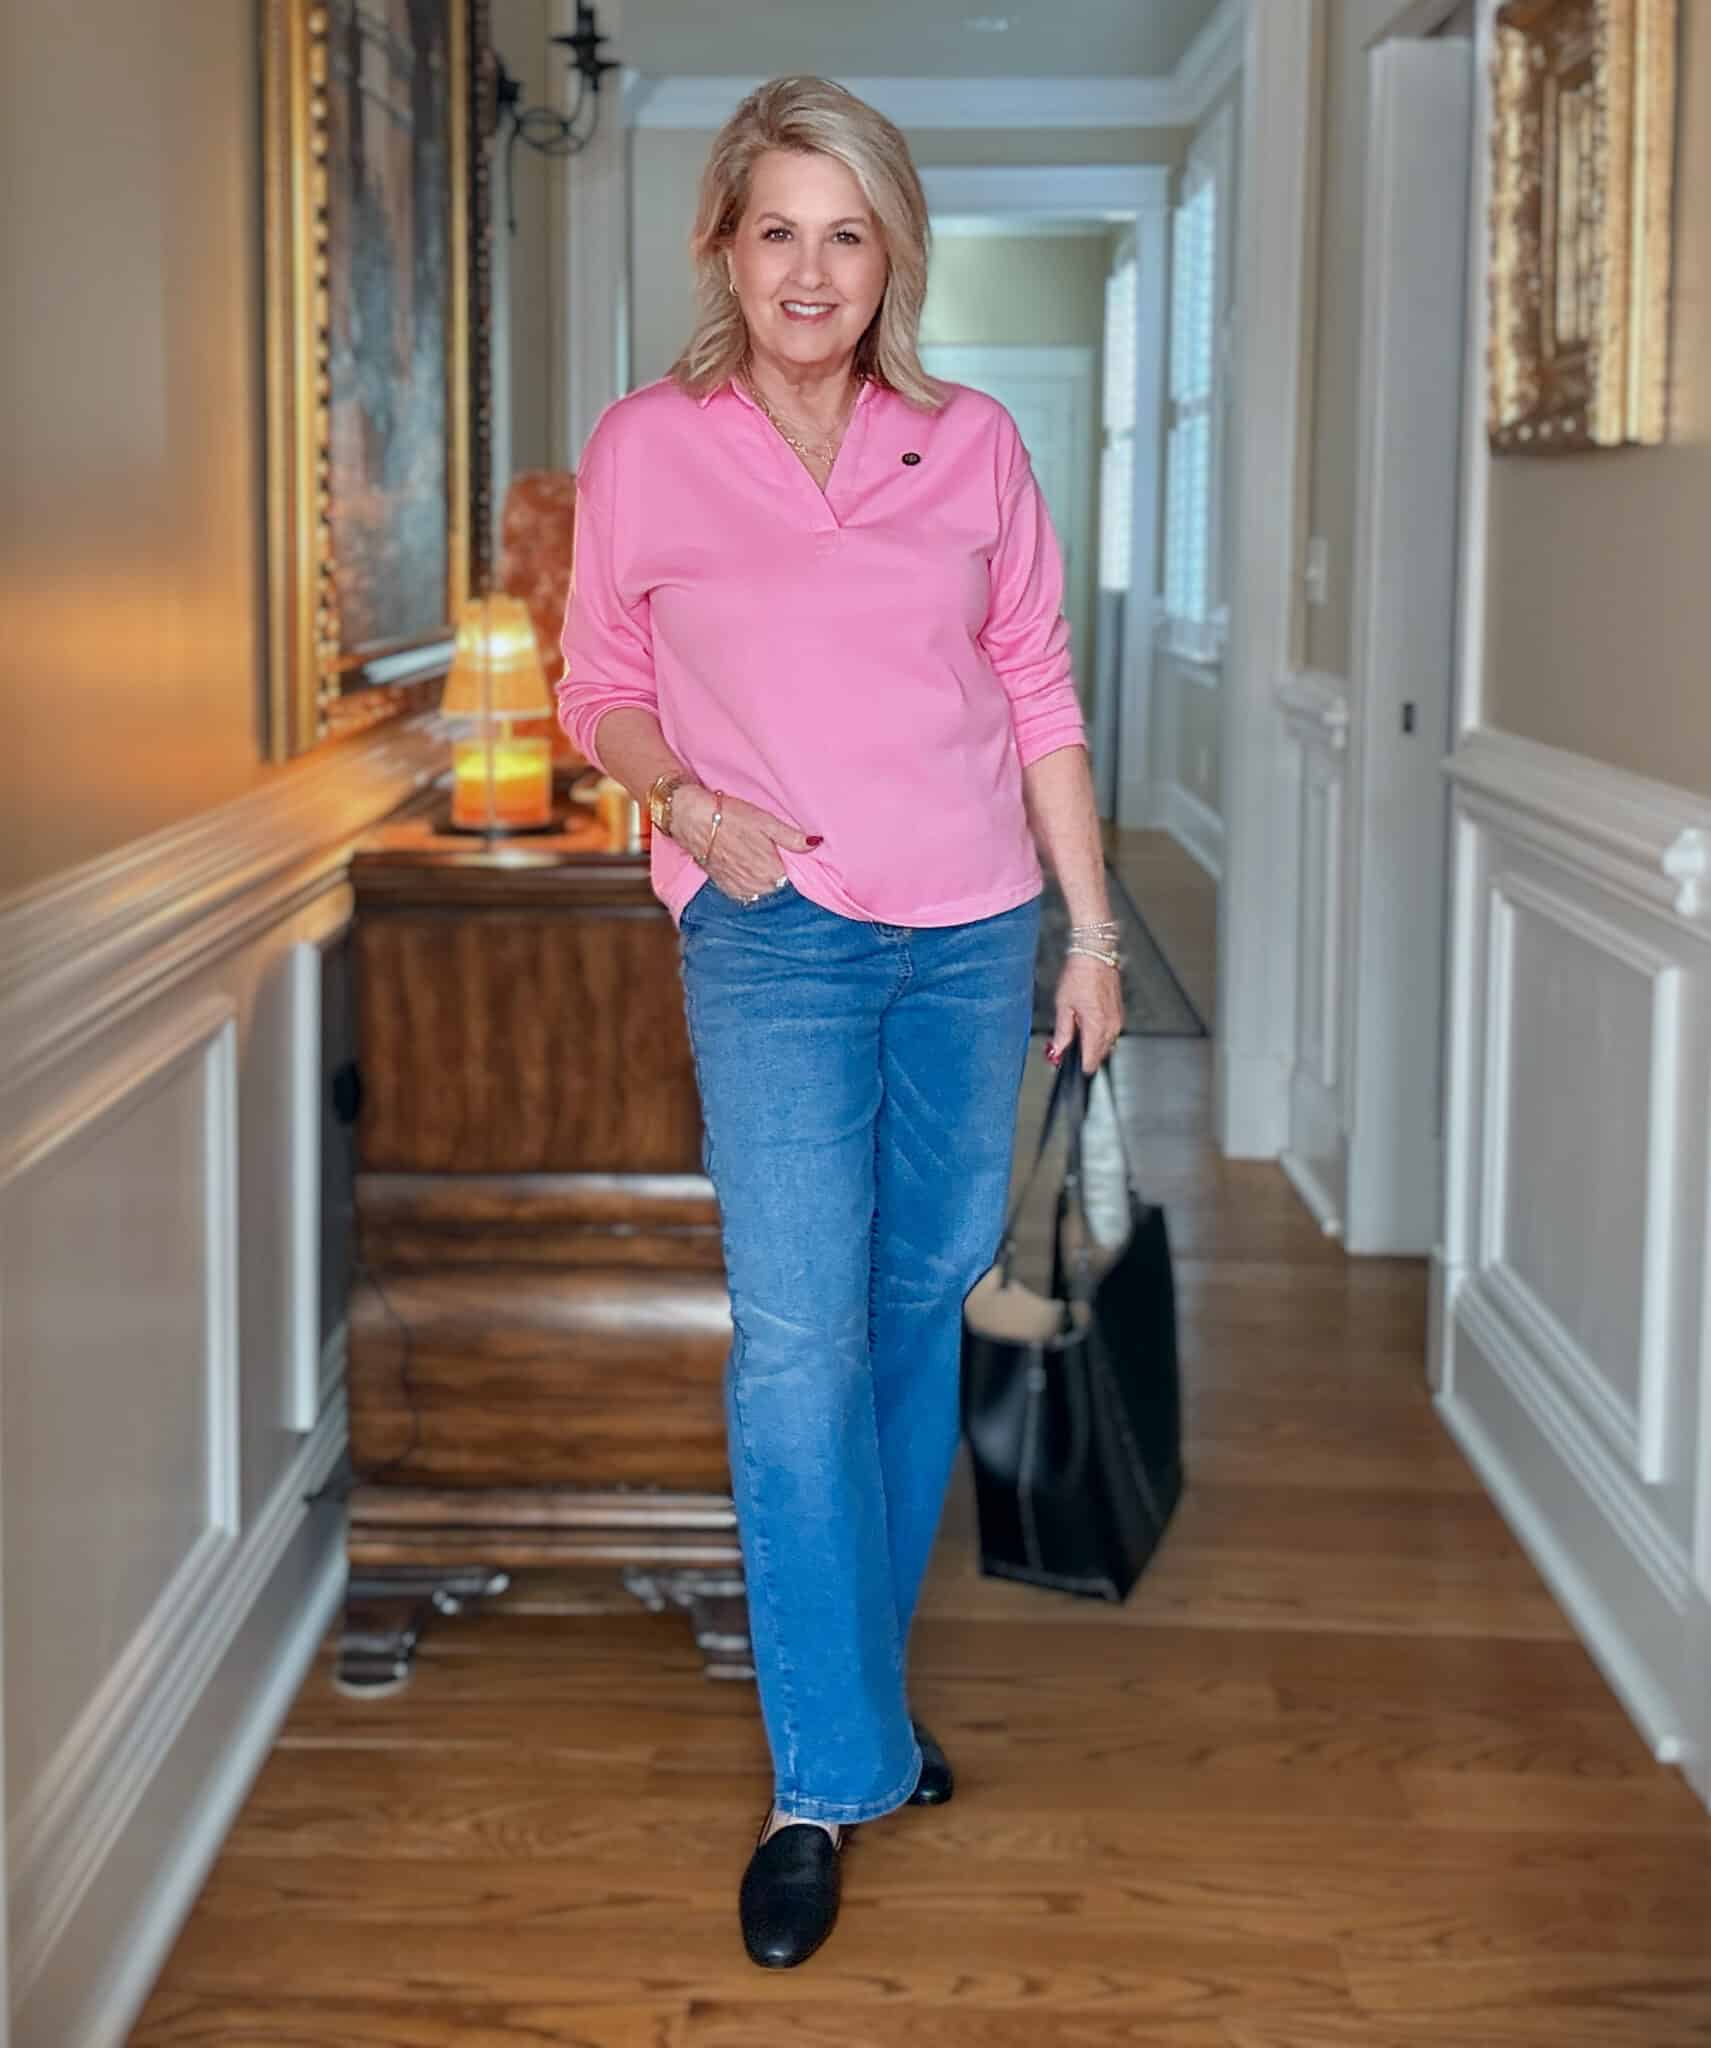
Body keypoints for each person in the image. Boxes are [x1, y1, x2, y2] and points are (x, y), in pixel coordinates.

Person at [557, 74, 1123, 1970]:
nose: (812, 269)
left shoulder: (972, 446)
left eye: (848, 232)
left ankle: (862, 1717)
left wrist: (1093, 934)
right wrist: (685, 808)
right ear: (725, 240)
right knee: (795, 1343)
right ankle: (823, 1776)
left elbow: (1038, 690)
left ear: (894, 256)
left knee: (912, 1303)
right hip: (774, 930)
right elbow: (600, 684)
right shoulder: (650, 443)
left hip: (972, 933)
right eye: (777, 228)